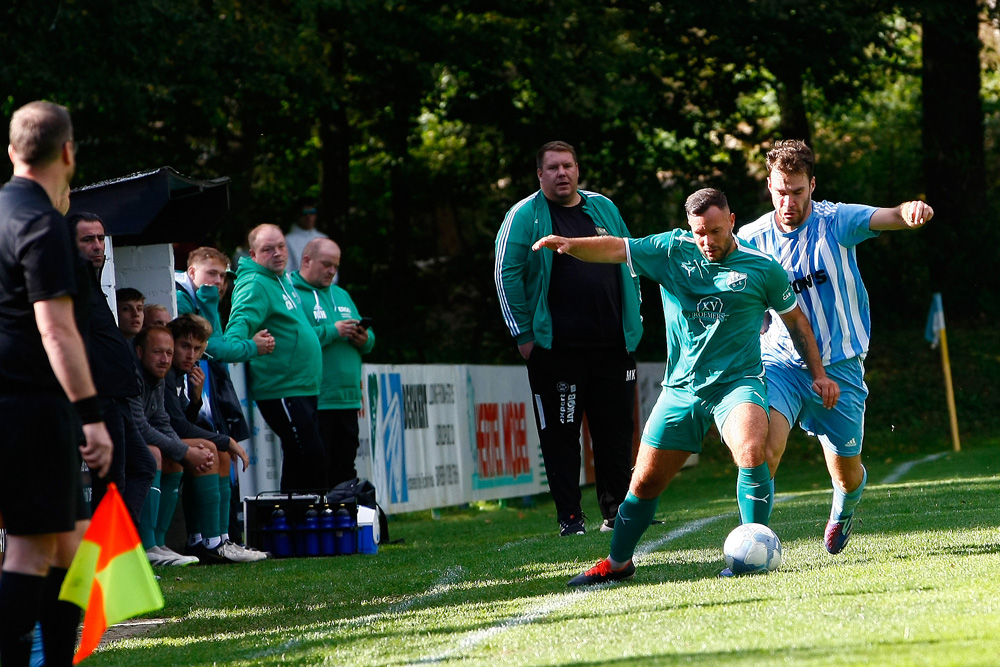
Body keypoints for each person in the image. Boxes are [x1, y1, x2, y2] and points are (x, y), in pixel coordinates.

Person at [533, 188, 839, 586]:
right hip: (681, 388)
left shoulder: (763, 268)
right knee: (643, 482)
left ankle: (754, 553)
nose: (707, 241)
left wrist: (818, 373)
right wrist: (572, 245)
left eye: (714, 231)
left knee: (751, 450)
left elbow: (796, 321)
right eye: (699, 233)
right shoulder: (671, 250)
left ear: (731, 222)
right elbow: (615, 249)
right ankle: (618, 563)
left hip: (738, 383)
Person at [737, 139, 934, 554]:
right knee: (761, 450)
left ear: (812, 185)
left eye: (797, 190)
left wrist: (909, 211)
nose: (787, 201)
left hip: (840, 366)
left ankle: (844, 508)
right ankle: (751, 544)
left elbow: (886, 217)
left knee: (845, 472)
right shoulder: (751, 238)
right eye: (779, 191)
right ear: (769, 187)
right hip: (780, 364)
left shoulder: (836, 220)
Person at [0, 100, 113, 667]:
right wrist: (91, 416)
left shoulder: (3, 209)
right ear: (67, 152)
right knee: (29, 550)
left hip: (27, 405)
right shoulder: (41, 224)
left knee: (74, 544)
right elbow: (57, 331)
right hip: (32, 406)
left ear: (13, 150)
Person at [494, 140, 643, 536]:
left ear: (578, 170)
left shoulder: (603, 208)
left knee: (615, 433)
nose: (562, 173)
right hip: (556, 348)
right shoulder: (524, 215)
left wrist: (635, 324)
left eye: (568, 166)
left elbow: (631, 258)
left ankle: (617, 513)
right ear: (539, 174)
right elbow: (505, 273)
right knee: (561, 434)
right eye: (553, 167)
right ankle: (571, 519)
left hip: (612, 346)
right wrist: (523, 333)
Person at [69, 212, 157, 526]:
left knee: (142, 466)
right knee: (110, 481)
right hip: (98, 397)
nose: (96, 246)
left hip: (117, 397)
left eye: (100, 238)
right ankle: (104, 562)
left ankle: (119, 550)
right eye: (87, 239)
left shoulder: (92, 283)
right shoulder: (72, 285)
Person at [224, 224, 326, 491]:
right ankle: (298, 522)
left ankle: (298, 524)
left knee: (302, 456)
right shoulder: (255, 284)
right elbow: (235, 332)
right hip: (282, 388)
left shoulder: (282, 279)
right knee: (309, 454)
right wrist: (250, 346)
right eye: (268, 249)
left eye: (281, 246)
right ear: (253, 254)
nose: (278, 253)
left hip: (303, 385)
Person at [162, 315, 265, 563]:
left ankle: (213, 538)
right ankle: (210, 543)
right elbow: (177, 426)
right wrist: (226, 440)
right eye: (185, 346)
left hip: (166, 437)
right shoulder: (166, 374)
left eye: (197, 349)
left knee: (216, 449)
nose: (191, 354)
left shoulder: (180, 375)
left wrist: (196, 399)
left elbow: (184, 422)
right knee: (213, 446)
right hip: (151, 442)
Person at [291, 238, 375, 486]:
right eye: (326, 264)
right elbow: (293, 340)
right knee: (318, 467)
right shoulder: (292, 294)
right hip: (317, 397)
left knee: (345, 467)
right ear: (307, 260)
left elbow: (370, 342)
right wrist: (332, 331)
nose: (331, 271)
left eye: (335, 266)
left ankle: (344, 520)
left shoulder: (341, 294)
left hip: (347, 398)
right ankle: (318, 520)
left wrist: (363, 338)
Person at [284, 198, 327, 273]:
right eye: (304, 213)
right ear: (297, 215)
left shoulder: (324, 239)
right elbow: (286, 271)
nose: (308, 216)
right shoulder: (287, 240)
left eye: (312, 212)